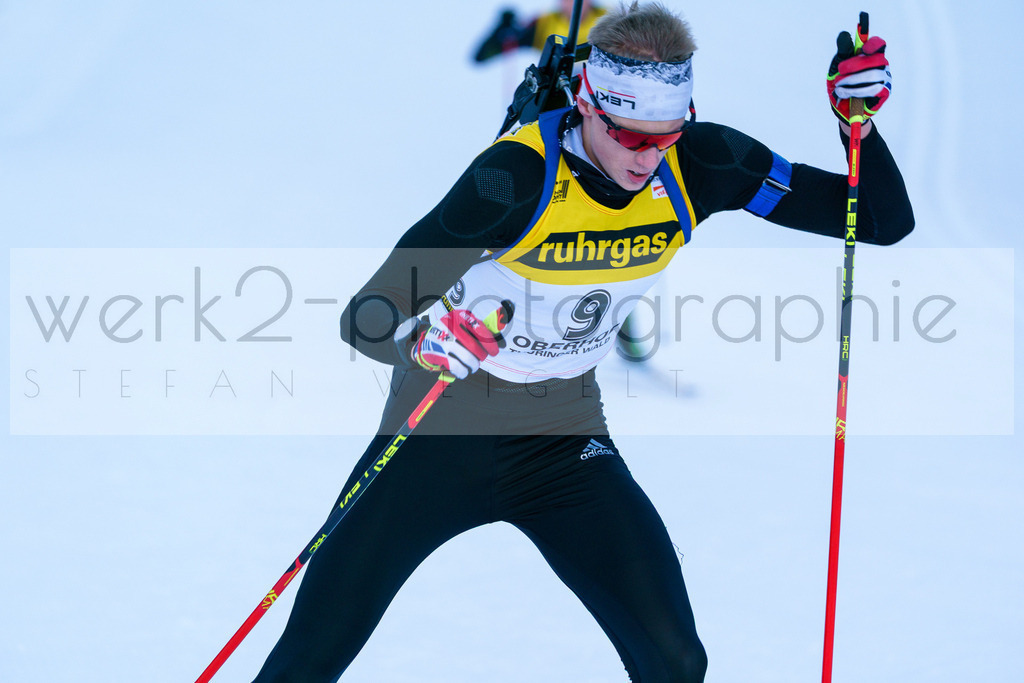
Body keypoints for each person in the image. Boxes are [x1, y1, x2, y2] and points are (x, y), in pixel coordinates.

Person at [254, 2, 912, 681]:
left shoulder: (702, 162)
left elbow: (878, 221)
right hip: (437, 432)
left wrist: (855, 127)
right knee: (308, 659)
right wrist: (421, 342)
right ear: (587, 104)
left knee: (675, 658)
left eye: (666, 136)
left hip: (563, 440)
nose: (648, 158)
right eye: (630, 137)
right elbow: (367, 314)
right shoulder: (513, 178)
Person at [473, 0, 606, 63]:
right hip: (563, 92)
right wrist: (499, 30)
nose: (572, 3)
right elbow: (481, 57)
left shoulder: (609, 18)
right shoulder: (543, 24)